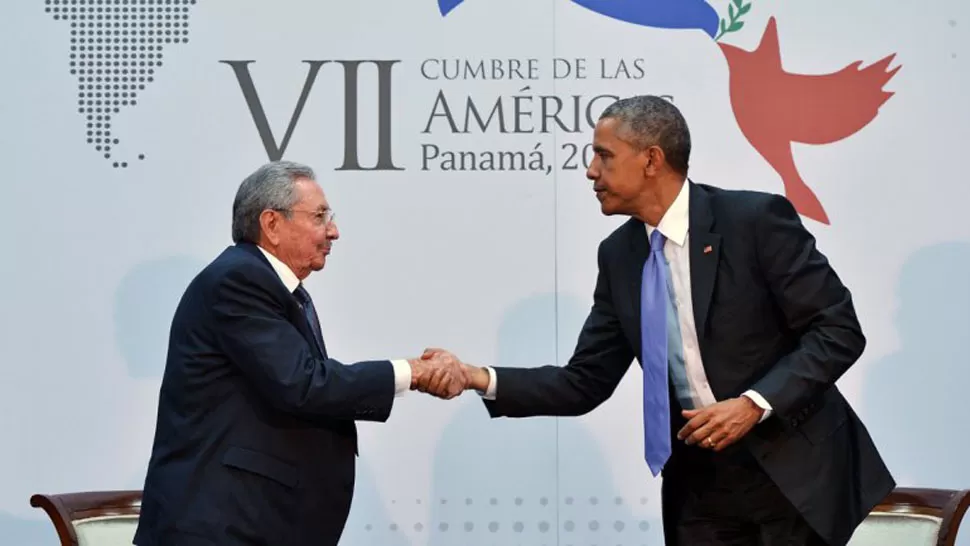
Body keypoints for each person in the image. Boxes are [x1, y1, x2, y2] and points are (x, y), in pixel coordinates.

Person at [447, 95, 895, 545]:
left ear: (651, 160)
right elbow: (584, 382)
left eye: (603, 155)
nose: (590, 171)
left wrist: (754, 404)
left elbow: (837, 330)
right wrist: (475, 377)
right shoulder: (620, 256)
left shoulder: (754, 221)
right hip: (699, 490)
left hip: (796, 474)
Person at [134, 161, 467, 546]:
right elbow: (303, 383)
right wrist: (413, 372)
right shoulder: (238, 280)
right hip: (221, 529)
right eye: (320, 216)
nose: (334, 231)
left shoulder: (271, 286)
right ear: (272, 224)